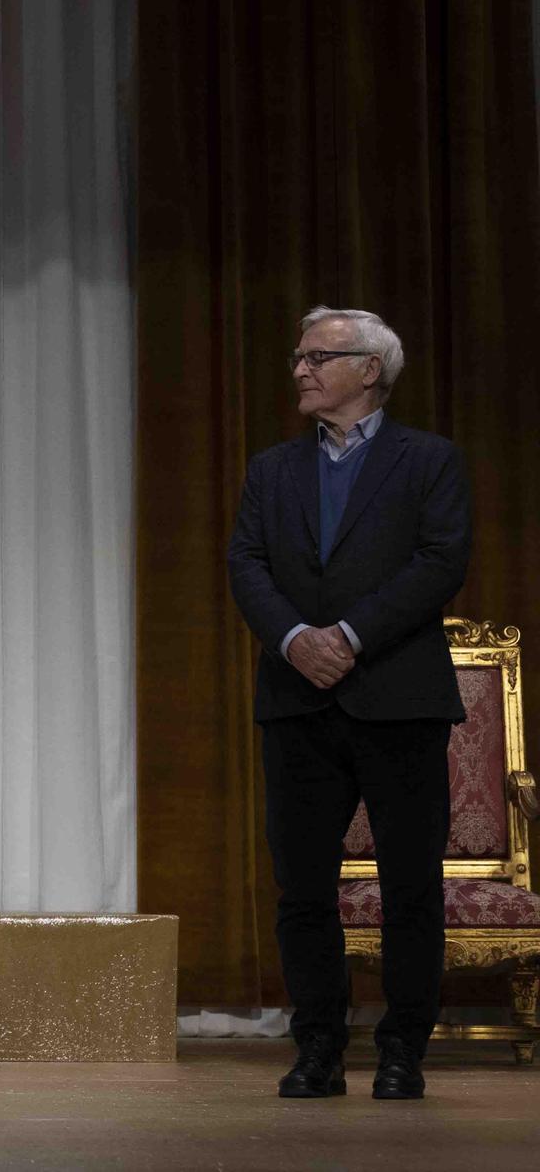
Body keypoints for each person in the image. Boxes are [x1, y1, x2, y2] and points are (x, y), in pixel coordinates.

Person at [227, 305, 471, 1102]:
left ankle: (402, 1052)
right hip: (297, 702)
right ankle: (319, 1049)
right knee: (301, 888)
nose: (300, 367)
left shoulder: (430, 460)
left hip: (398, 699)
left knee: (409, 886)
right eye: (297, 355)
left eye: (318, 355)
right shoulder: (271, 469)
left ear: (370, 369)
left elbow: (440, 561)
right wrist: (297, 636)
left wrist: (353, 634)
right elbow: (247, 564)